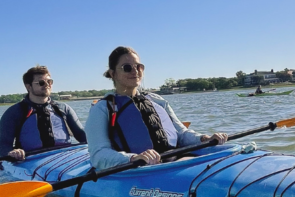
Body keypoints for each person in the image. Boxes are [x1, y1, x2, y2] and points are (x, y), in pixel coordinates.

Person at [86, 46, 228, 172]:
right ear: (112, 74)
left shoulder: (157, 100)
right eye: (127, 67)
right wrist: (133, 158)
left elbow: (181, 134)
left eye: (139, 66)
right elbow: (98, 154)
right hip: (140, 170)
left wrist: (203, 138)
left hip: (175, 162)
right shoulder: (103, 109)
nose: (135, 71)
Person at [0, 65, 87, 161]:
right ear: (29, 87)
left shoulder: (64, 109)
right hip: (30, 160)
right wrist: (11, 153)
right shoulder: (13, 113)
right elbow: (3, 145)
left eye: (49, 81)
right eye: (41, 83)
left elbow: (82, 135)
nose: (47, 85)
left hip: (65, 156)